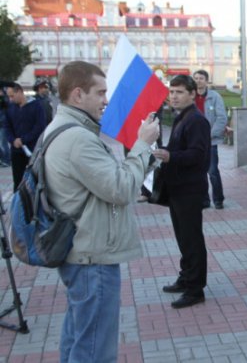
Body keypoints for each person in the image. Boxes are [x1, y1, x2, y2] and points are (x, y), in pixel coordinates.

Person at [44, 60, 160, 362]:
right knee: (95, 350)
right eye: (101, 92)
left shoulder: (64, 128)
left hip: (80, 251)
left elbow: (106, 181)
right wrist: (142, 145)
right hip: (91, 255)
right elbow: (121, 189)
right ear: (78, 95)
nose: (106, 100)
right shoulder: (78, 138)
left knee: (79, 338)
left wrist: (141, 155)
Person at [156, 75, 210, 309]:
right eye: (172, 91)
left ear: (192, 94)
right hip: (178, 189)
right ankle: (186, 277)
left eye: (179, 92)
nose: (174, 96)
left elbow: (199, 156)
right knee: (183, 238)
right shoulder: (182, 118)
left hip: (190, 190)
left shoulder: (197, 120)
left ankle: (195, 289)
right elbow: (176, 148)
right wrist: (161, 150)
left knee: (192, 240)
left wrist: (171, 156)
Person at [193, 69, 227, 209]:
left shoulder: (215, 96)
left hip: (210, 142)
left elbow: (222, 118)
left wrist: (209, 135)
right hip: (194, 142)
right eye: (195, 78)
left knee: (212, 171)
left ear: (206, 81)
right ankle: (204, 200)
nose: (198, 80)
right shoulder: (190, 96)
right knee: (198, 173)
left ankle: (218, 200)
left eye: (201, 78)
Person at [5, 83, 47, 192]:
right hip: (17, 151)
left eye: (12, 96)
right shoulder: (10, 108)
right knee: (18, 181)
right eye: (8, 96)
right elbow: (7, 126)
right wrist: (13, 140)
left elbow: (40, 127)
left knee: (36, 180)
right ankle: (18, 205)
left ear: (19, 91)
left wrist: (23, 140)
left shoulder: (37, 106)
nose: (10, 99)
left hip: (33, 150)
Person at [0, 88, 11, 167]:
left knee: (4, 143)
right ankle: (3, 158)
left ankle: (7, 160)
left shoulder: (5, 99)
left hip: (3, 124)